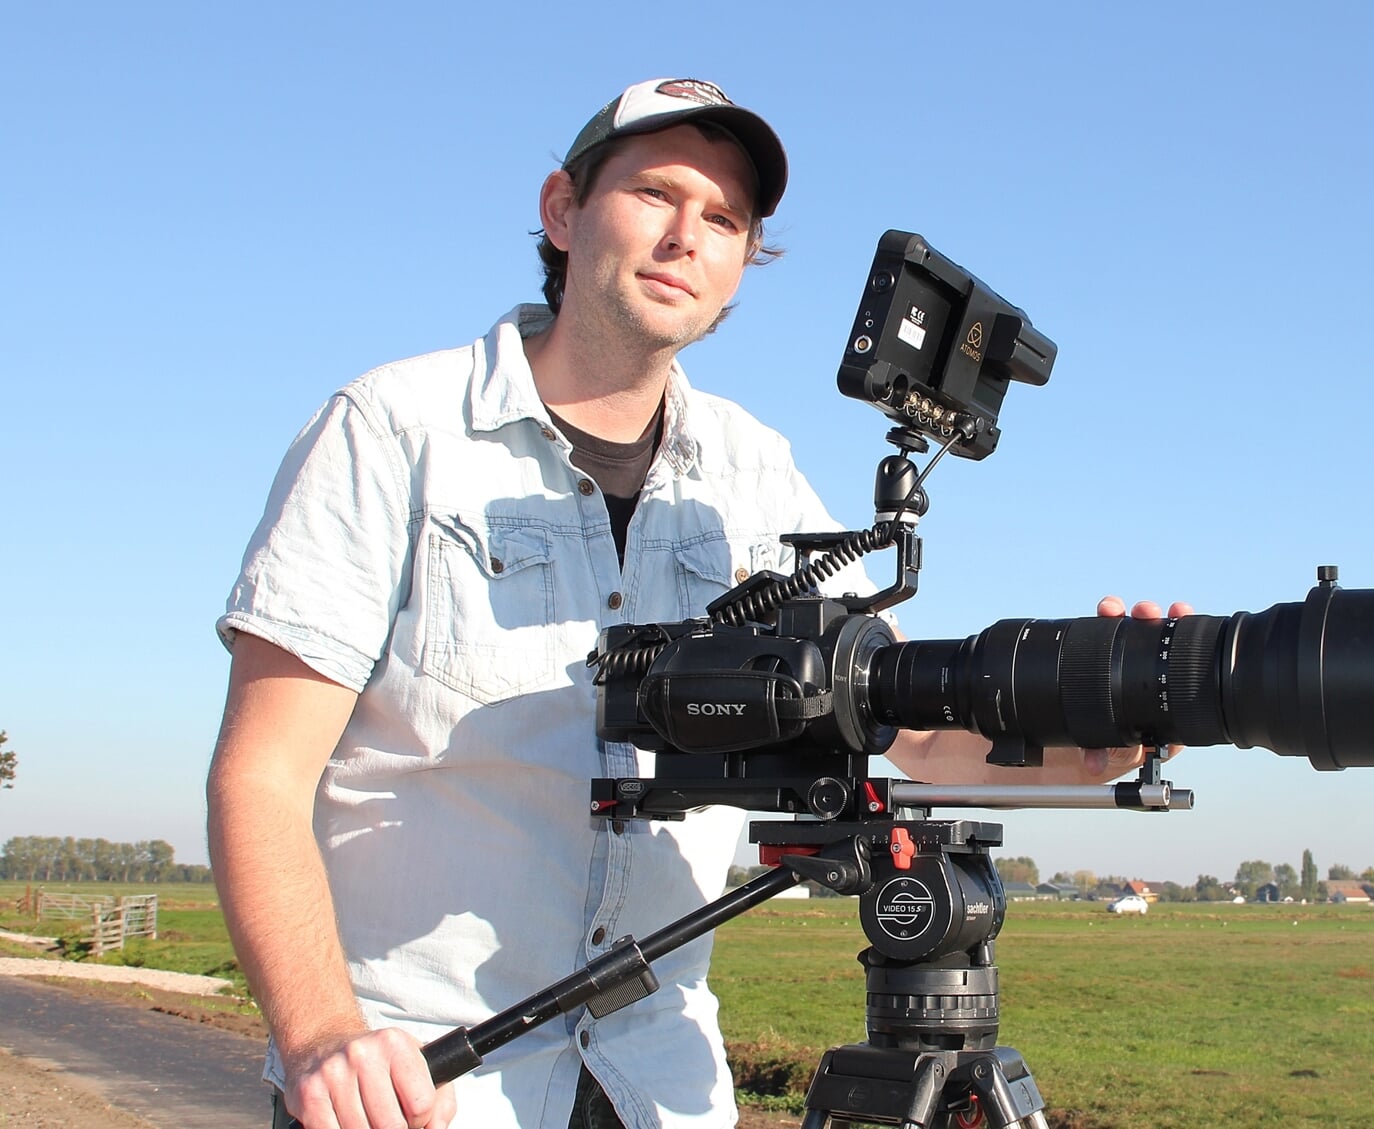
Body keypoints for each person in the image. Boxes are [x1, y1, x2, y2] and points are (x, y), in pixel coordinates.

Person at [207, 77, 1188, 1129]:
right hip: (420, 1082)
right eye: (654, 195)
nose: (687, 238)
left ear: (740, 269)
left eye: (724, 220)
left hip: (657, 1087)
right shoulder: (395, 428)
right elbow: (262, 773)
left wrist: (1098, 731)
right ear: (561, 210)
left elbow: (914, 730)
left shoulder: (751, 470)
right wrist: (320, 1036)